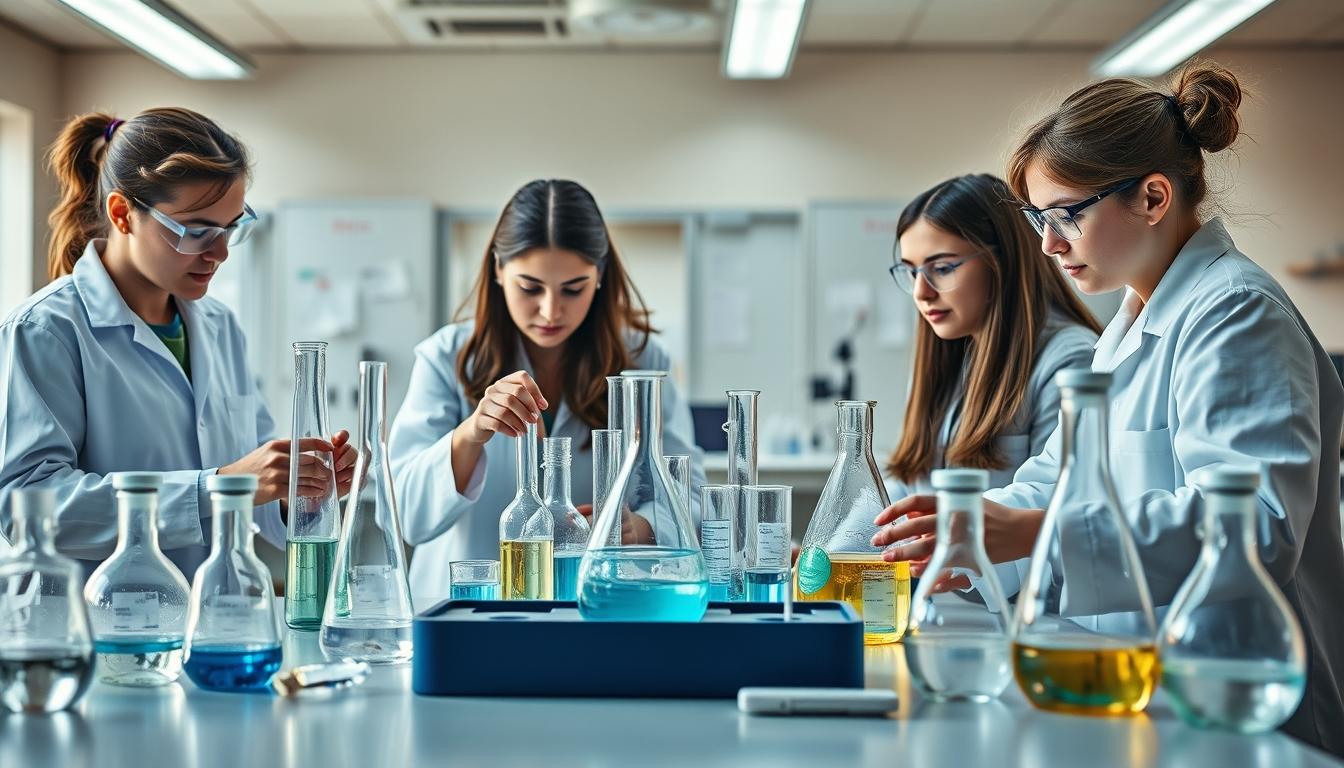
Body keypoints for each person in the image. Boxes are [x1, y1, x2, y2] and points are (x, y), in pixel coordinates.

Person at [874, 62, 1344, 755]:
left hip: (1241, 693)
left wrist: (1038, 531)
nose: (1048, 244)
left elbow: (1255, 528)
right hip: (1146, 685)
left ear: (1153, 197)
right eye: (1038, 219)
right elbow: (1059, 473)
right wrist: (972, 527)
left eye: (1066, 215)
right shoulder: (1130, 322)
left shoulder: (1236, 312)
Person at [0, 108, 355, 577]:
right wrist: (219, 486)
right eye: (197, 231)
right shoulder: (47, 330)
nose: (220, 252)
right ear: (123, 215)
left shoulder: (218, 324)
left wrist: (296, 487)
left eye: (231, 227)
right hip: (100, 626)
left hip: (214, 618)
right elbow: (26, 504)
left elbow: (252, 490)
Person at [390, 179, 703, 607]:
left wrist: (643, 527)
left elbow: (692, 495)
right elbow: (405, 515)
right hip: (465, 618)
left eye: (573, 289)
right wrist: (472, 432)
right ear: (498, 269)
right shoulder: (446, 357)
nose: (551, 311)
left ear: (600, 276)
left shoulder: (643, 361)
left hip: (597, 613)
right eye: (530, 287)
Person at [885, 173, 1100, 500]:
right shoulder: (950, 354)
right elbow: (901, 490)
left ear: (1001, 261)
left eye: (941, 268)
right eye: (912, 272)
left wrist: (939, 531)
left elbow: (1054, 505)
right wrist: (823, 550)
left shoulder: (1070, 358)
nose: (920, 292)